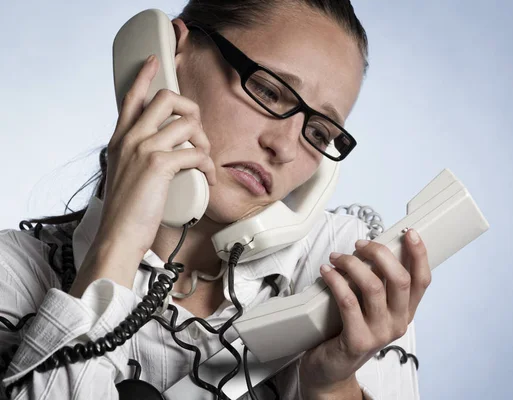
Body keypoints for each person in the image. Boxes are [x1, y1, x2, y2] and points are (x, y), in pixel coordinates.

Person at [0, 0, 432, 399]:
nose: (284, 146)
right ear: (171, 53)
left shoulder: (347, 268)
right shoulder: (13, 276)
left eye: (318, 133)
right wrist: (117, 247)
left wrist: (333, 385)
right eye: (268, 90)